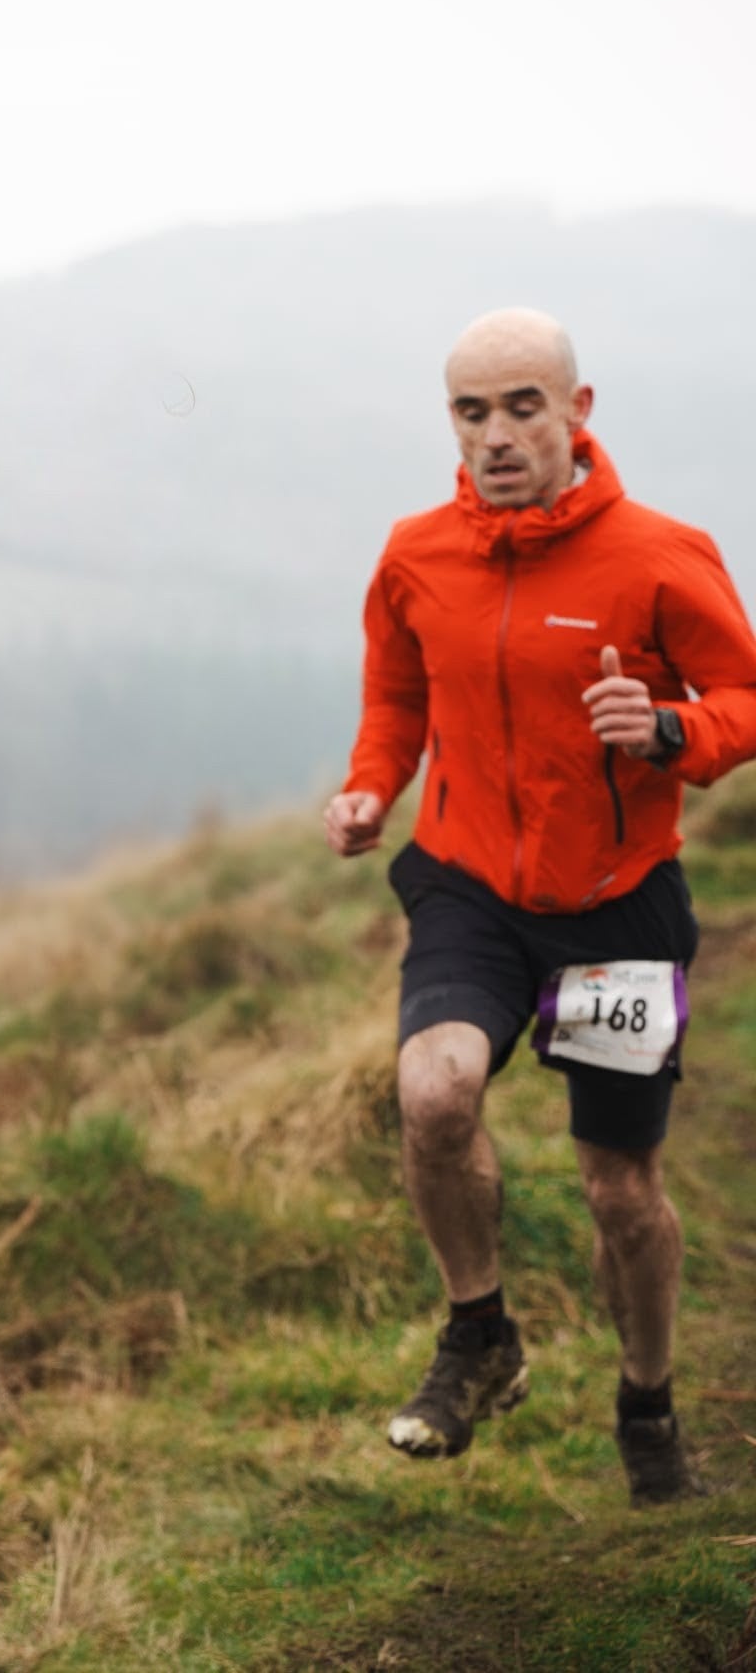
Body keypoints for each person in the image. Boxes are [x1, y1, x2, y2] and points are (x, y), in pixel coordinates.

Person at [324, 307, 756, 1505]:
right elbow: (396, 699)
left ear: (578, 410)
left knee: (621, 1194)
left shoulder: (661, 554)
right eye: (472, 412)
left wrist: (671, 730)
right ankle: (480, 1337)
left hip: (614, 913)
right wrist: (370, 791)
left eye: (524, 406)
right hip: (469, 891)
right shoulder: (416, 554)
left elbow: (745, 695)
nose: (498, 435)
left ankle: (648, 1401)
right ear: (450, 422)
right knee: (433, 1089)